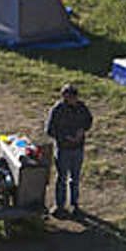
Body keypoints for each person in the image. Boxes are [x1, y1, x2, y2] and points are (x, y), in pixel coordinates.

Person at [44, 82, 93, 218]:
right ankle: (59, 206)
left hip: (78, 148)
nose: (73, 100)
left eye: (74, 97)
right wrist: (65, 137)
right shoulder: (57, 109)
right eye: (70, 97)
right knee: (62, 178)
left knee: (75, 178)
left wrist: (82, 130)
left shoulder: (82, 107)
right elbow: (49, 130)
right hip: (63, 149)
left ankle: (74, 205)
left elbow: (89, 120)